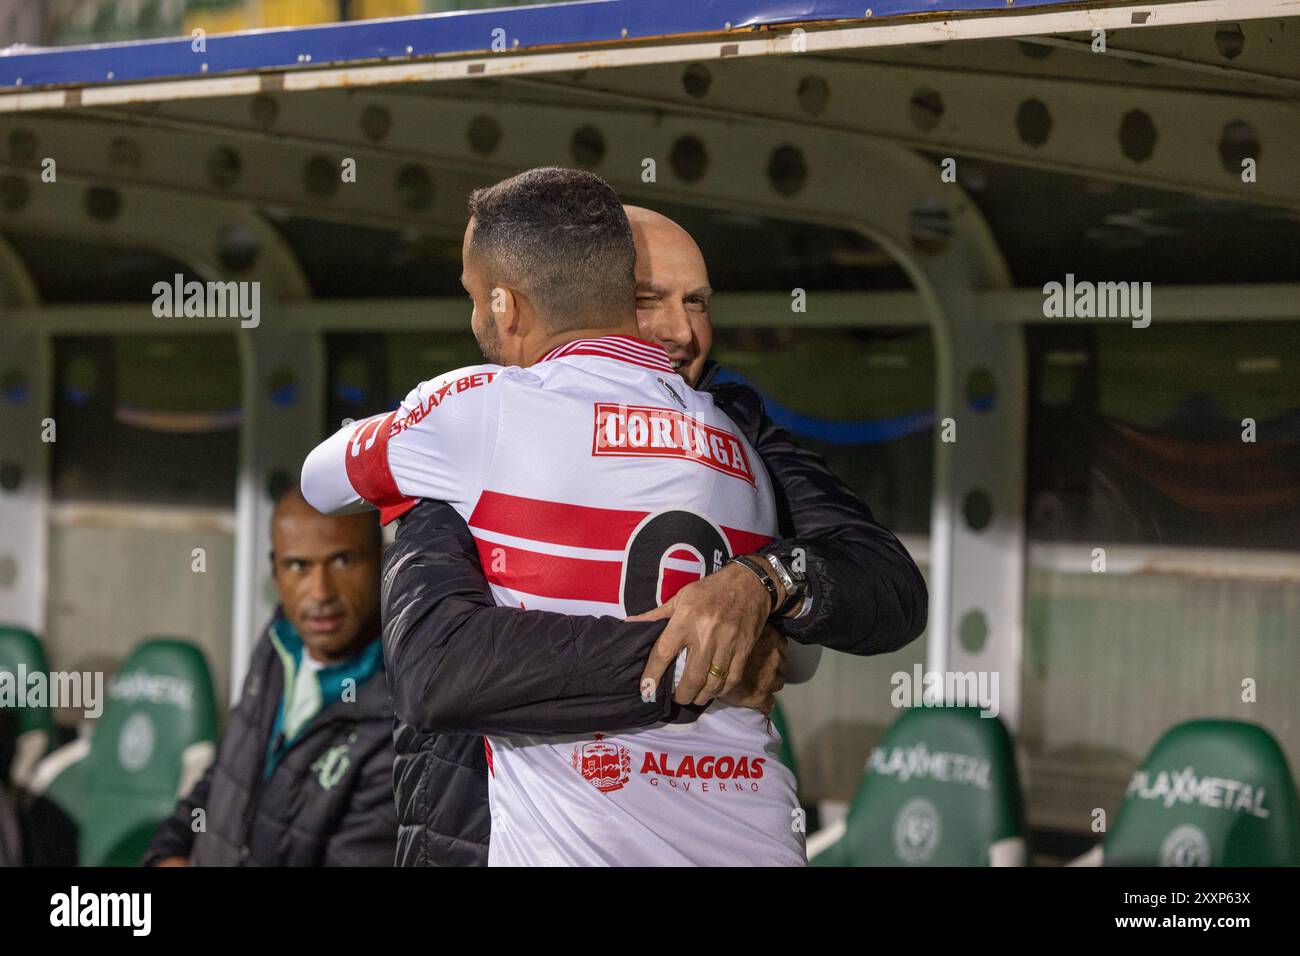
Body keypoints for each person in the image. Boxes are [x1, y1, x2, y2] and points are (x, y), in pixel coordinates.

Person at [302, 167, 922, 865]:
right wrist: (710, 662)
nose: (684, 331)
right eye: (650, 299)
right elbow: (440, 670)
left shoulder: (745, 431)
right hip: (482, 831)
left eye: (701, 302)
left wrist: (764, 581)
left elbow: (888, 586)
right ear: (595, 294)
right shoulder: (486, 423)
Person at [143, 488, 396, 866]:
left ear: (381, 561)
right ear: (275, 569)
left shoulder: (402, 709)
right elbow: (228, 775)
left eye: (343, 561)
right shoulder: (279, 646)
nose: (321, 592)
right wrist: (169, 851)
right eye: (298, 566)